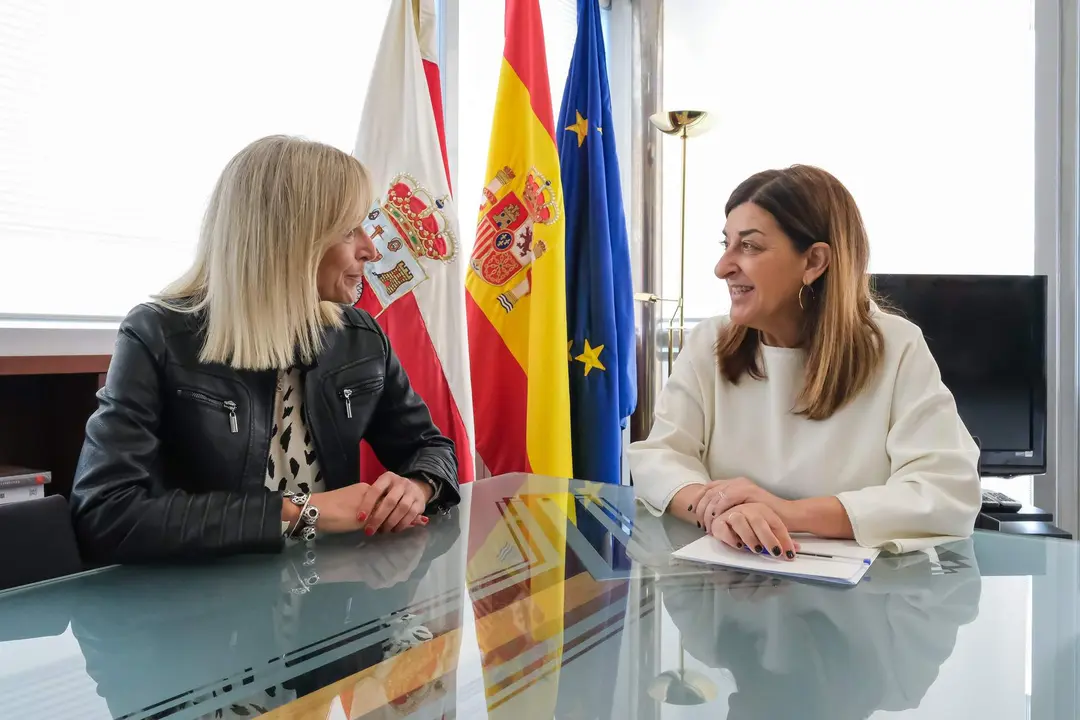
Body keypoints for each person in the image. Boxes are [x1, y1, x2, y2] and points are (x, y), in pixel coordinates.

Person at [70, 135, 459, 565]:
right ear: (292, 241)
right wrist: (302, 511)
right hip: (205, 609)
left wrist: (417, 487)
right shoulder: (157, 334)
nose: (370, 249)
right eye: (350, 231)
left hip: (329, 599)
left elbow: (430, 447)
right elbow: (105, 514)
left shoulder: (360, 337)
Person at [627, 165, 981, 558]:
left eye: (749, 246)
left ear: (814, 262)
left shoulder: (897, 348)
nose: (722, 267)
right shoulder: (708, 342)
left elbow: (946, 492)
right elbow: (660, 456)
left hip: (860, 605)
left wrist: (788, 514)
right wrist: (715, 510)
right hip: (729, 589)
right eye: (725, 244)